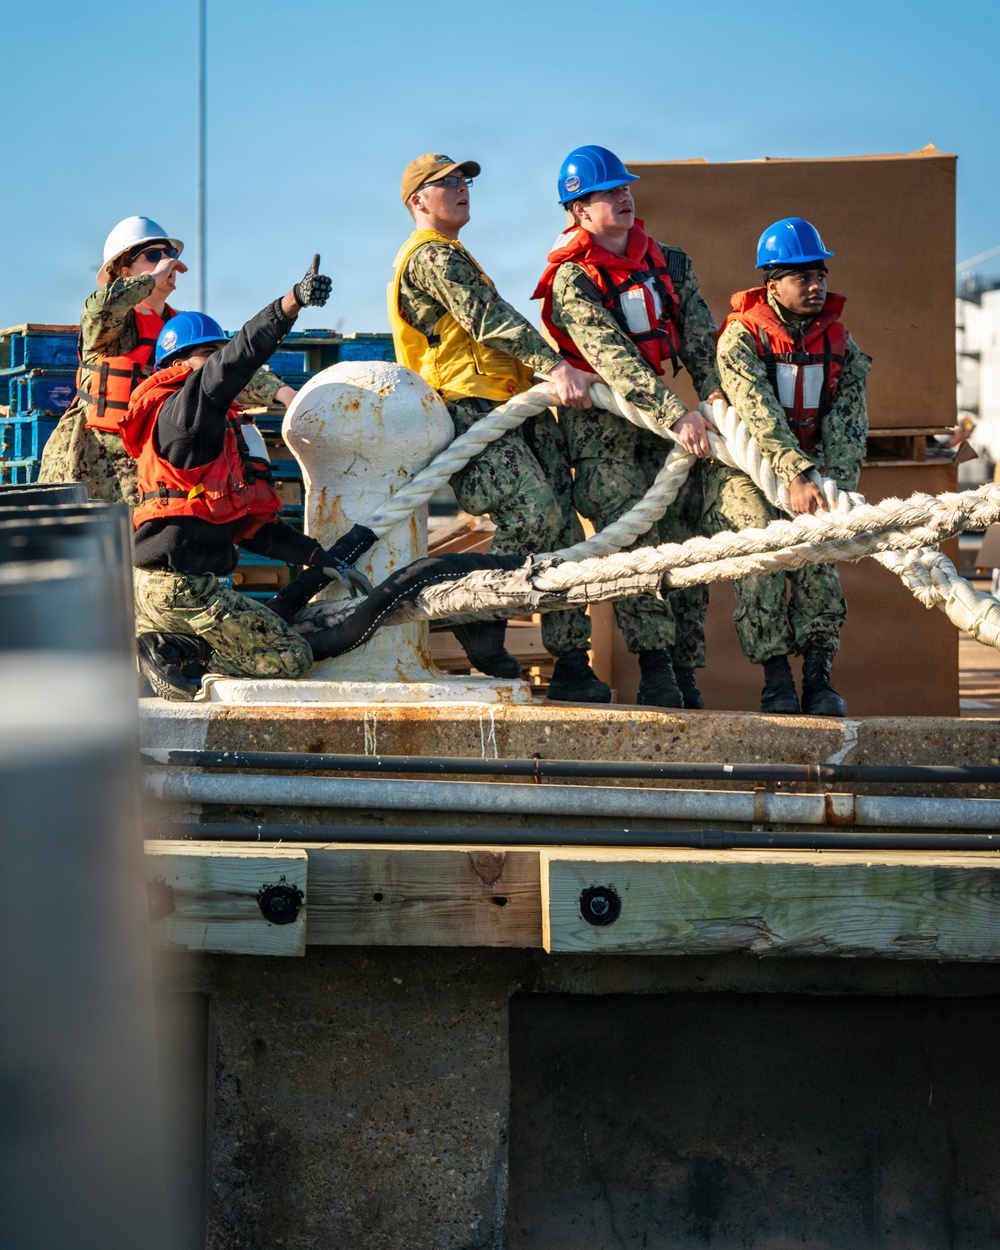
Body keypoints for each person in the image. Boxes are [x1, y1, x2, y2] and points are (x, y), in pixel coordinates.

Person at [387, 152, 610, 702]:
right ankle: (474, 608)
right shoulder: (429, 256)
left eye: (466, 180)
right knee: (533, 512)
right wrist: (556, 366)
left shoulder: (458, 253)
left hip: (511, 402)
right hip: (469, 409)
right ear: (419, 200)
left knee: (562, 530)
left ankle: (570, 661)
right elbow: (485, 316)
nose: (463, 188)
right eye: (449, 183)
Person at [121, 257, 380, 700]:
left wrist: (320, 558)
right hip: (183, 591)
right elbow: (236, 360)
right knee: (289, 657)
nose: (224, 372)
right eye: (211, 354)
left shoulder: (212, 430)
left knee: (267, 630)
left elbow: (248, 526)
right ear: (184, 363)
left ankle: (164, 646)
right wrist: (289, 304)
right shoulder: (186, 414)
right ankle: (173, 648)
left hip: (155, 589)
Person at [533, 145, 724, 708]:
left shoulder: (668, 262)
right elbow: (614, 359)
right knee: (636, 547)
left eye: (624, 188)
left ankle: (685, 671)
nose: (623, 197)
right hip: (604, 436)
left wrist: (713, 396)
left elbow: (697, 335)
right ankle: (656, 672)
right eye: (606, 193)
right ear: (579, 210)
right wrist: (676, 414)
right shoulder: (573, 281)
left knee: (691, 541)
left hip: (670, 430)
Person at [710, 217, 871, 715]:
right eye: (802, 277)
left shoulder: (840, 343)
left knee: (819, 561)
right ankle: (776, 679)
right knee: (762, 556)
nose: (817, 285)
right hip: (751, 467)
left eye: (820, 274)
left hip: (815, 469)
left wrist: (834, 488)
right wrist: (793, 474)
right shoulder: (742, 338)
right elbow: (756, 410)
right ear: (772, 283)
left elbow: (848, 422)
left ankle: (819, 679)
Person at [39, 216, 297, 506]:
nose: (167, 263)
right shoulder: (109, 325)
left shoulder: (183, 327)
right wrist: (150, 280)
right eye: (152, 256)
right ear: (125, 271)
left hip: (154, 456)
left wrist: (286, 395)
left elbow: (222, 368)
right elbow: (99, 310)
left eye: (170, 255)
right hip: (93, 457)